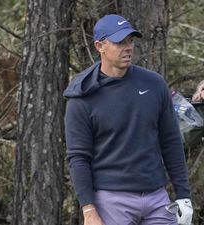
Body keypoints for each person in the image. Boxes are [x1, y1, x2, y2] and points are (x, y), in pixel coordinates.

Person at [63, 14, 193, 225]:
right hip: (110, 200)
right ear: (100, 46)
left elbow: (171, 141)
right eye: (120, 42)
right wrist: (88, 209)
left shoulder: (154, 84)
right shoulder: (82, 96)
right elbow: (78, 157)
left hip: (157, 198)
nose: (128, 47)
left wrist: (183, 195)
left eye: (131, 41)